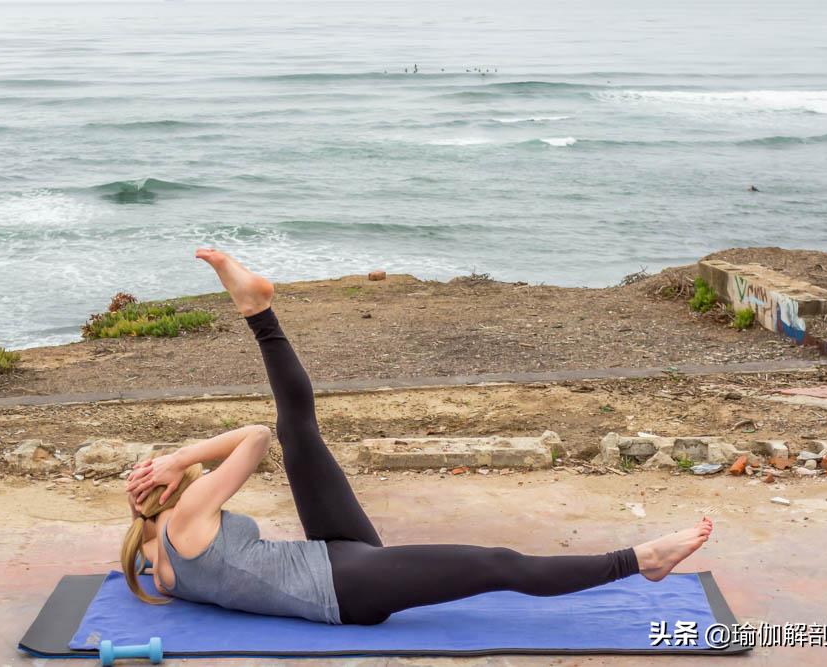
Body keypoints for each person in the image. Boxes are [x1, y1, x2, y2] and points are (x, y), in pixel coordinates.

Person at [122, 249, 714, 625]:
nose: (167, 475)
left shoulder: (152, 562)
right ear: (168, 491)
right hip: (344, 589)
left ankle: (258, 311)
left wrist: (151, 499)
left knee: (301, 431)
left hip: (332, 555)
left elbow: (151, 542)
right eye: (162, 478)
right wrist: (179, 458)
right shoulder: (183, 519)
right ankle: (640, 561)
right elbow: (254, 438)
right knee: (497, 564)